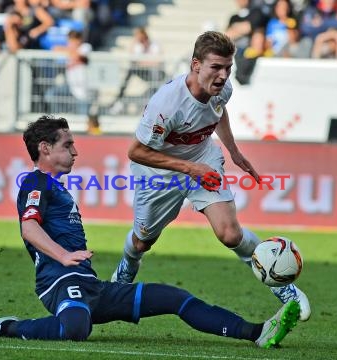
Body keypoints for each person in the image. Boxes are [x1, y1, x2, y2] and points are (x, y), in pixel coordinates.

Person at [0, 115, 301, 348]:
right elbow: (29, 227)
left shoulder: (58, 187)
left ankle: (256, 332)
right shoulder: (35, 183)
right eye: (68, 144)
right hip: (59, 282)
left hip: (89, 284)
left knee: (174, 298)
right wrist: (65, 256)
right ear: (45, 149)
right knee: (77, 329)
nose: (76, 151)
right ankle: (6, 327)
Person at [109, 31, 311, 322]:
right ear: (196, 65)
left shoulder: (223, 89)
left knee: (230, 234)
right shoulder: (167, 104)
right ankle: (127, 266)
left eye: (228, 67)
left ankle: (283, 285)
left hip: (203, 159)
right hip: (159, 171)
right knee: (142, 241)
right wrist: (190, 169)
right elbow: (137, 152)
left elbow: (218, 112)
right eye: (216, 67)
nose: (223, 75)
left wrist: (234, 152)